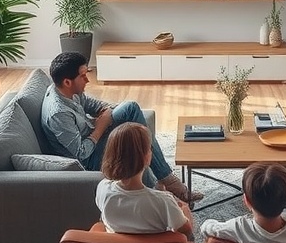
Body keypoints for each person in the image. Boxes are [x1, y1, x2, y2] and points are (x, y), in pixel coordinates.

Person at [41, 51, 202, 204]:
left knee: (130, 109)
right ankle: (161, 190)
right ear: (67, 82)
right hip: (89, 158)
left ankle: (166, 181)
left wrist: (107, 112)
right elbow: (81, 154)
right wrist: (100, 127)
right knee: (134, 144)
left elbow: (93, 105)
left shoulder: (66, 90)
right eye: (83, 76)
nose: (88, 80)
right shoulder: (58, 113)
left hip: (94, 135)